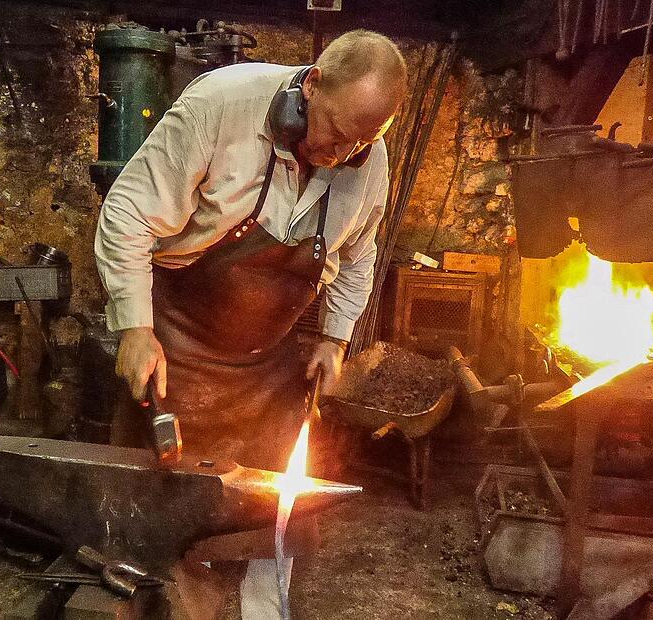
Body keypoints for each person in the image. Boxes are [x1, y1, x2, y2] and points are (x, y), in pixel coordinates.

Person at [94, 29, 408, 619]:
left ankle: (263, 610)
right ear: (312, 85)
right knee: (170, 513)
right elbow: (128, 213)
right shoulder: (221, 105)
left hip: (269, 363)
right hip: (181, 345)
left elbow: (359, 252)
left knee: (270, 509)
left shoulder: (367, 155)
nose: (341, 153)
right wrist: (135, 327)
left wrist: (334, 338)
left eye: (361, 142)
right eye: (336, 132)